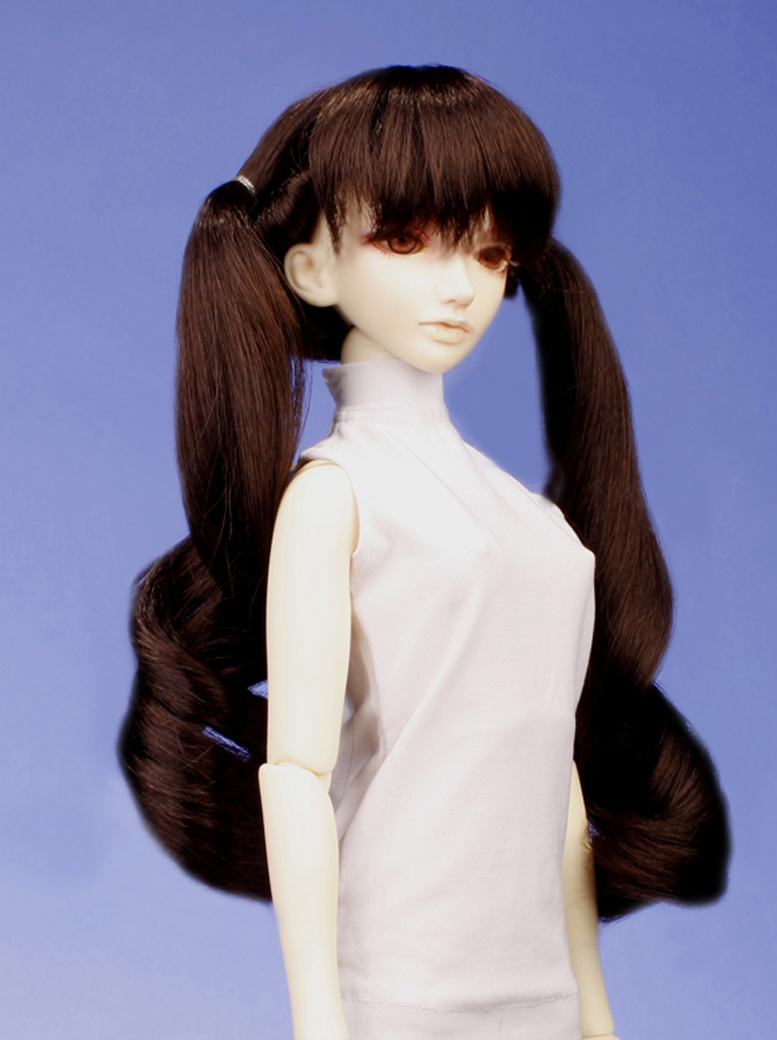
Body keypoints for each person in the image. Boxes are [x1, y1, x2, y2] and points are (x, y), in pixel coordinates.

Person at [120, 65, 729, 1040]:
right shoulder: (335, 495)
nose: (459, 286)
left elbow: (553, 775)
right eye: (404, 239)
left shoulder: (535, 525)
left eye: (487, 252)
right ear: (312, 268)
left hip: (537, 990)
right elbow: (296, 773)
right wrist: (320, 1017)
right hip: (399, 986)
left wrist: (592, 1003)